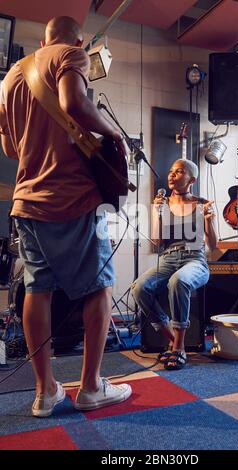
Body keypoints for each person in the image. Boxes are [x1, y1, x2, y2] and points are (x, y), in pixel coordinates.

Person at [0, 16, 132, 417]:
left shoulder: (9, 79)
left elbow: (8, 148)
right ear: (77, 39)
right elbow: (73, 103)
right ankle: (91, 387)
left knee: (38, 290)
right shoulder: (72, 55)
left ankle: (45, 391)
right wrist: (114, 134)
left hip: (27, 201)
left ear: (42, 38)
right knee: (98, 288)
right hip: (73, 196)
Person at [131, 158, 217, 370]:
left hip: (195, 258)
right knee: (139, 288)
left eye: (179, 172)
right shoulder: (162, 204)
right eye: (171, 171)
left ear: (192, 179)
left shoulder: (201, 203)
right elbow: (157, 241)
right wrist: (156, 214)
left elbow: (213, 246)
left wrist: (209, 220)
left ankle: (177, 348)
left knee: (178, 281)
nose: (172, 175)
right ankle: (176, 341)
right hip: (168, 258)